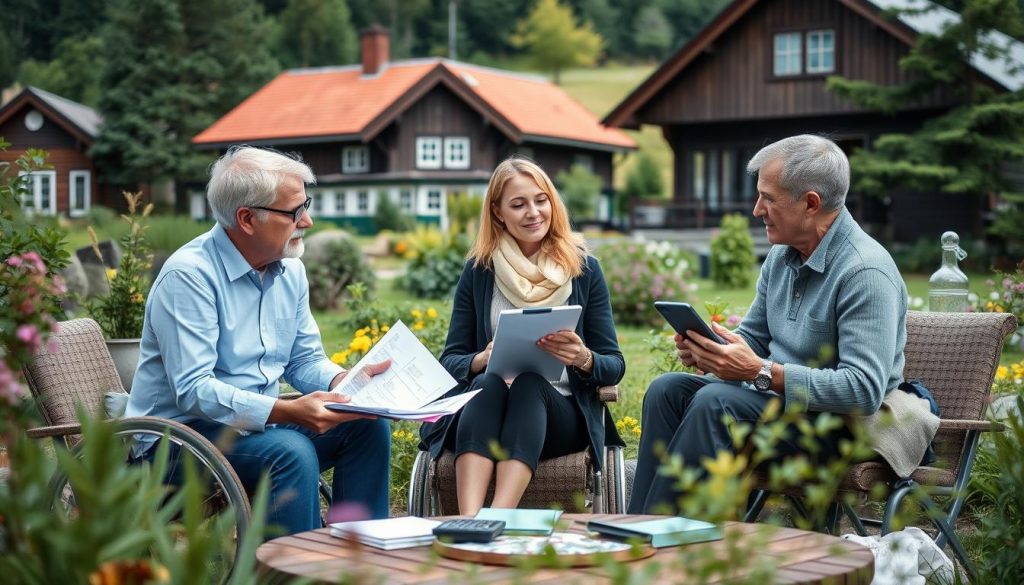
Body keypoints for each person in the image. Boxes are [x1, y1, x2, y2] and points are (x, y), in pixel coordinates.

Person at [629, 134, 928, 514]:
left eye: (768, 198)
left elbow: (863, 389)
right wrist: (717, 351)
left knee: (715, 401)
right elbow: (754, 337)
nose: (756, 209)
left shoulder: (865, 271)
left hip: (836, 428)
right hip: (778, 409)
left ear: (810, 203)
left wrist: (760, 371)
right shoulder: (781, 257)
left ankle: (673, 544)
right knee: (667, 389)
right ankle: (638, 528)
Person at [125, 146, 391, 535]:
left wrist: (342, 383)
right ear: (247, 219)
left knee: (365, 426)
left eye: (306, 205)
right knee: (290, 452)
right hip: (177, 443)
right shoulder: (189, 277)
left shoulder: (290, 271)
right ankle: (289, 577)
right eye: (294, 212)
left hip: (255, 430)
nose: (308, 221)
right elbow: (194, 391)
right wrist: (289, 412)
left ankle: (359, 565)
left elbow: (303, 360)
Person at [419, 157, 625, 515]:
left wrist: (583, 358)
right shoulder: (480, 270)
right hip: (488, 411)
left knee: (529, 383)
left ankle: (498, 516)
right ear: (498, 212)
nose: (533, 212)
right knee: (489, 382)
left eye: (540, 200)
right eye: (518, 204)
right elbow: (450, 361)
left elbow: (614, 364)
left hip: (558, 417)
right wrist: (481, 359)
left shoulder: (584, 269)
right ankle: (469, 520)